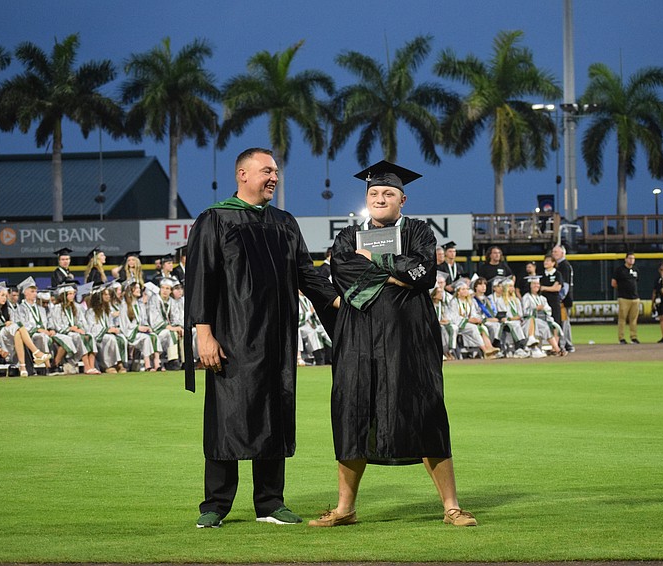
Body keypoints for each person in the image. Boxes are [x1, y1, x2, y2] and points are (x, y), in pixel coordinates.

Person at [309, 160, 475, 528]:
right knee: (353, 412)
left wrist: (378, 265)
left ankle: (451, 507)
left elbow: (425, 273)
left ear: (403, 199)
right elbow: (344, 273)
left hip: (410, 338)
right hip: (358, 337)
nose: (380, 198)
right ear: (367, 200)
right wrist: (398, 274)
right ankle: (344, 508)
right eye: (374, 193)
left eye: (388, 193)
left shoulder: (418, 230)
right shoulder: (348, 238)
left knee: (426, 411)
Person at [184, 147, 339, 529]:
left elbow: (307, 274)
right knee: (227, 417)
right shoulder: (215, 219)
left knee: (275, 414)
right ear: (242, 174)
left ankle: (270, 502)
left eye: (276, 172)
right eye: (266, 170)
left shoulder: (285, 223)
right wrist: (204, 334)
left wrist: (341, 301)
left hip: (278, 339)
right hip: (232, 336)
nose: (274, 177)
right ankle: (216, 504)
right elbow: (200, 278)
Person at [0, 282, 51, 377]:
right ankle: (36, 352)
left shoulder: (8, 309)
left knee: (18, 332)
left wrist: (10, 324)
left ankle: (22, 367)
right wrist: (5, 325)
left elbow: (14, 322)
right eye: (2, 295)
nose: (4, 298)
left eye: (5, 296)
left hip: (10, 336)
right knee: (18, 327)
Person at [15, 276, 73, 373]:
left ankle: (55, 364)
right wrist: (38, 329)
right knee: (42, 337)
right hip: (31, 334)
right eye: (32, 291)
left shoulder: (40, 308)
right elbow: (22, 324)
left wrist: (51, 329)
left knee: (66, 339)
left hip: (45, 332)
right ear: (25, 293)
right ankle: (48, 367)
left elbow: (48, 320)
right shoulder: (20, 308)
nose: (35, 294)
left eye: (35, 291)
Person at [119, 280, 161, 371]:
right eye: (136, 288)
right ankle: (147, 365)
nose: (139, 290)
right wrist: (138, 328)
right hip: (130, 333)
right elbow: (124, 324)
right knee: (146, 338)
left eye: (139, 288)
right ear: (130, 290)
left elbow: (143, 320)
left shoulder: (139, 304)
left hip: (139, 331)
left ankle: (157, 364)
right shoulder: (125, 305)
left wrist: (147, 327)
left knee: (154, 336)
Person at [611, 252, 640, 344]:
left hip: (635, 298)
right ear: (626, 259)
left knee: (634, 319)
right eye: (630, 258)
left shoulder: (636, 270)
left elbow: (636, 281)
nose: (631, 260)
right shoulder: (620, 270)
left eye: (633, 258)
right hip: (624, 298)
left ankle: (633, 337)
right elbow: (613, 283)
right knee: (622, 319)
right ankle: (621, 338)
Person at [551, 245, 575, 352]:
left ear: (562, 253)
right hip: (563, 299)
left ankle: (564, 344)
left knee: (563, 322)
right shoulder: (559, 265)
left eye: (556, 252)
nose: (554, 253)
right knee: (565, 323)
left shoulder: (563, 266)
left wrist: (560, 298)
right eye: (553, 252)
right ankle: (568, 344)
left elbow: (565, 285)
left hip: (564, 300)